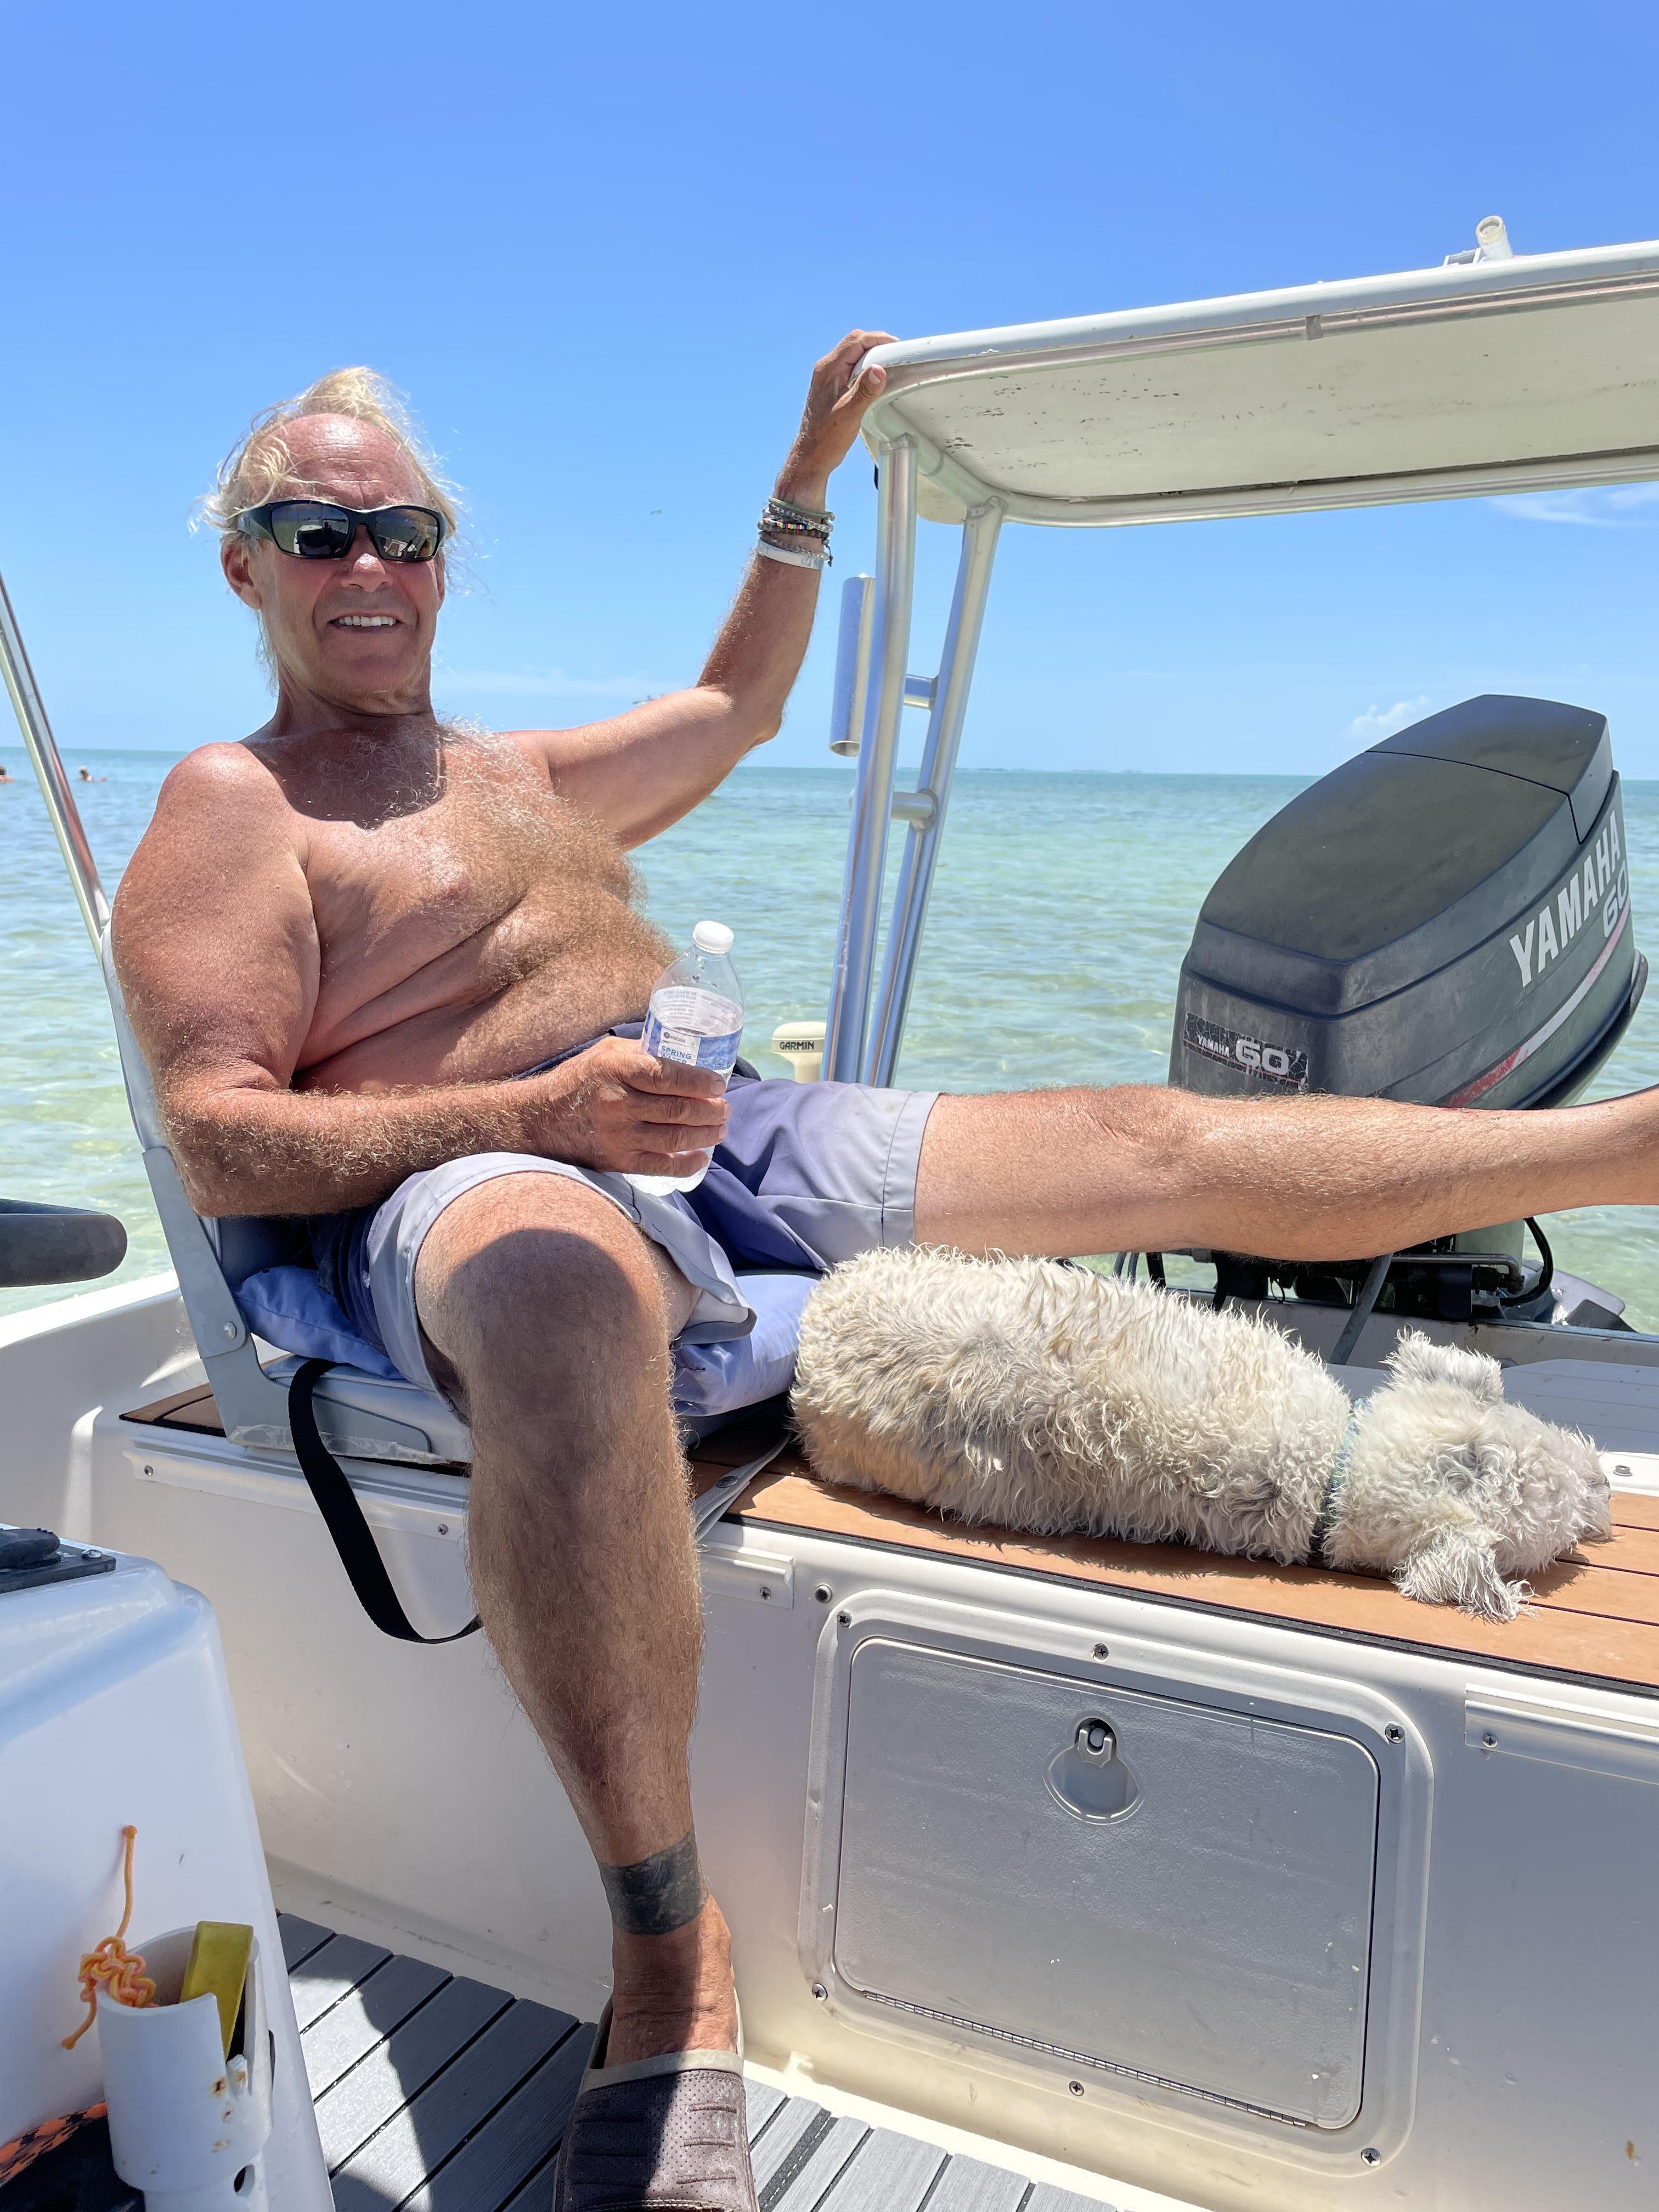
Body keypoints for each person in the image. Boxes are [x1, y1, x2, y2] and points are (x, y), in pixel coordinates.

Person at [112, 351, 1659, 2209]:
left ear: (445, 560)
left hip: (710, 1128)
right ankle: (668, 1958)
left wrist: (804, 477)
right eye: (319, 529)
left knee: (1135, 1148)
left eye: (406, 530)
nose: (370, 563)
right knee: (556, 1297)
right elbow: (220, 1138)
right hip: (479, 1175)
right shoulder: (235, 804)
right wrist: (550, 1112)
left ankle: (1621, 1147)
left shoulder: (513, 777)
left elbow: (739, 701)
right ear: (247, 569)